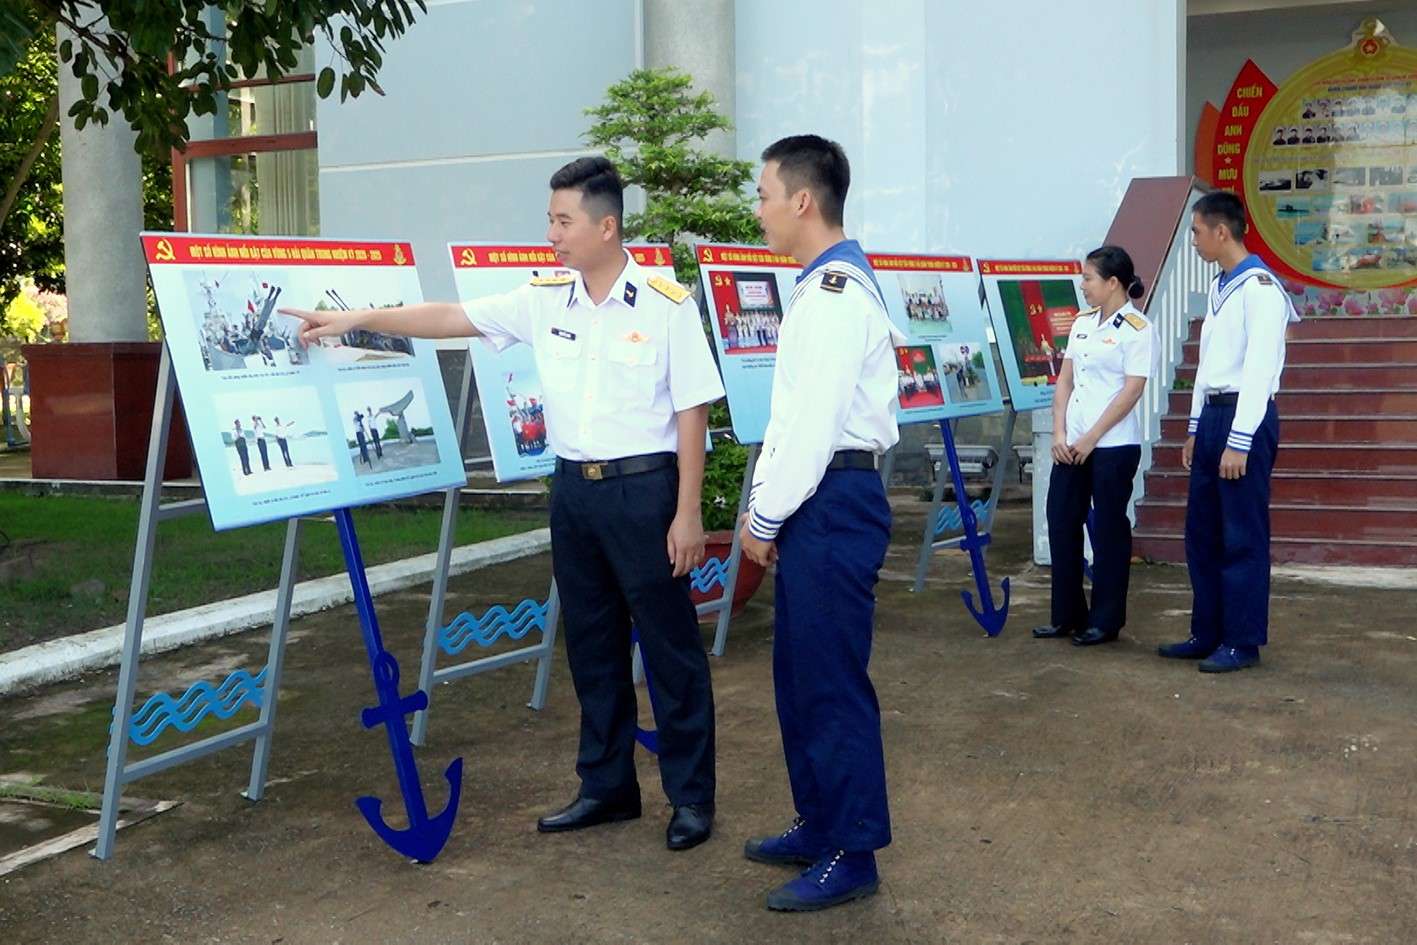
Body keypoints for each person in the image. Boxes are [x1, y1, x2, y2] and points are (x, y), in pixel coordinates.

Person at [280, 156, 724, 851]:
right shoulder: (544, 297)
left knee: (670, 650)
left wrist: (688, 511)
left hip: (645, 492)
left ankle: (691, 798)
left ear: (606, 226)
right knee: (590, 644)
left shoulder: (667, 304)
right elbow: (450, 315)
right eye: (549, 218)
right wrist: (353, 318)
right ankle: (606, 786)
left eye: (562, 220)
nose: (550, 233)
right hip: (573, 491)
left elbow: (693, 410)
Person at [737, 135, 905, 913]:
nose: (759, 208)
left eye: (764, 193)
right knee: (799, 675)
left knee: (831, 681)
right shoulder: (819, 287)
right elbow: (791, 423)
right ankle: (818, 821)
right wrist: (764, 504)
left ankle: (852, 848)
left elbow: (812, 426)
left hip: (831, 500)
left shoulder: (836, 294)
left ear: (802, 200)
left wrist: (764, 514)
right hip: (817, 499)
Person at [1158, 191, 1297, 673]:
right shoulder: (1222, 288)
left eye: (1197, 231)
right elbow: (1206, 367)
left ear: (1222, 231)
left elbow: (1258, 370)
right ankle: (1208, 631)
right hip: (1216, 415)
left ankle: (1241, 640)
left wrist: (1239, 440)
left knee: (1241, 534)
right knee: (1203, 532)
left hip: (1246, 417)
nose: (1193, 240)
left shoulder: (1259, 289)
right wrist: (1196, 427)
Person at [1032, 246, 1158, 647]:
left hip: (1112, 447)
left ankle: (1105, 620)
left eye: (1088, 278)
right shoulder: (1083, 323)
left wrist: (1090, 438)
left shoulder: (1138, 329)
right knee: (1062, 522)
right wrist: (1059, 434)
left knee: (1107, 531)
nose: (1082, 285)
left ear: (1113, 283)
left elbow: (1131, 391)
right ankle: (1067, 615)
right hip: (1071, 444)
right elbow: (1065, 381)